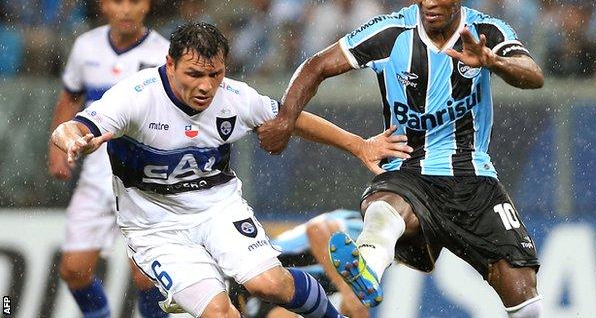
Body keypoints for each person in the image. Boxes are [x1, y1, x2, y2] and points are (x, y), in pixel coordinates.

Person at [50, 22, 413, 318]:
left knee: (271, 285)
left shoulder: (234, 97)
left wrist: (359, 145)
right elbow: (75, 126)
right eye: (194, 74)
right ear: (170, 64)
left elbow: (291, 119)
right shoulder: (135, 96)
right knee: (219, 314)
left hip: (218, 209)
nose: (206, 86)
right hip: (155, 226)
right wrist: (70, 137)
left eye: (215, 74)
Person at [257, 0, 545, 317]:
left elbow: (533, 75)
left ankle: (369, 263)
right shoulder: (391, 32)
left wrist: (492, 61)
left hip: (473, 177)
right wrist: (287, 117)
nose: (429, 1)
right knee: (386, 207)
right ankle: (367, 268)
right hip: (408, 168)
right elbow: (317, 65)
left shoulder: (487, 31)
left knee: (523, 292)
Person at [47, 0, 170, 317]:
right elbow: (70, 98)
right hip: (95, 176)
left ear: (147, 4)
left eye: (134, 0)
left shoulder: (164, 54)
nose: (126, 9)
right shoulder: (86, 47)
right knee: (73, 270)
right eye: (118, 0)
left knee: (146, 276)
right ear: (104, 4)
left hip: (142, 179)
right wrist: (57, 146)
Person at [228, 210, 369, 318]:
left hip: (275, 286)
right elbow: (317, 230)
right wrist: (349, 293)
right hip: (265, 272)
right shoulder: (369, 227)